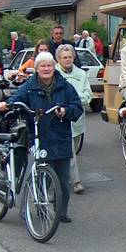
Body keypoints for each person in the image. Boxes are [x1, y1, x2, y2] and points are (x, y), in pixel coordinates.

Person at [0, 51, 83, 223]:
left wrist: (65, 111)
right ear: (36, 69)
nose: (46, 69)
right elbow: (17, 99)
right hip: (39, 136)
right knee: (40, 176)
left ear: (54, 67)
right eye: (42, 66)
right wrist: (7, 104)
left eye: (49, 65)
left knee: (63, 182)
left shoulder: (65, 86)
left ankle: (61, 211)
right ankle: (37, 207)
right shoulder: (29, 86)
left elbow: (77, 107)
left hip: (61, 137)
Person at [56, 44, 93, 195]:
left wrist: (74, 100)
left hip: (77, 120)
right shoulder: (54, 73)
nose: (67, 60)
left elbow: (88, 96)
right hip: (60, 120)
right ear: (58, 59)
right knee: (69, 151)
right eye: (64, 57)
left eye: (70, 57)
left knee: (73, 151)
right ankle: (76, 182)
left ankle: (62, 175)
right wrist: (74, 100)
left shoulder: (81, 74)